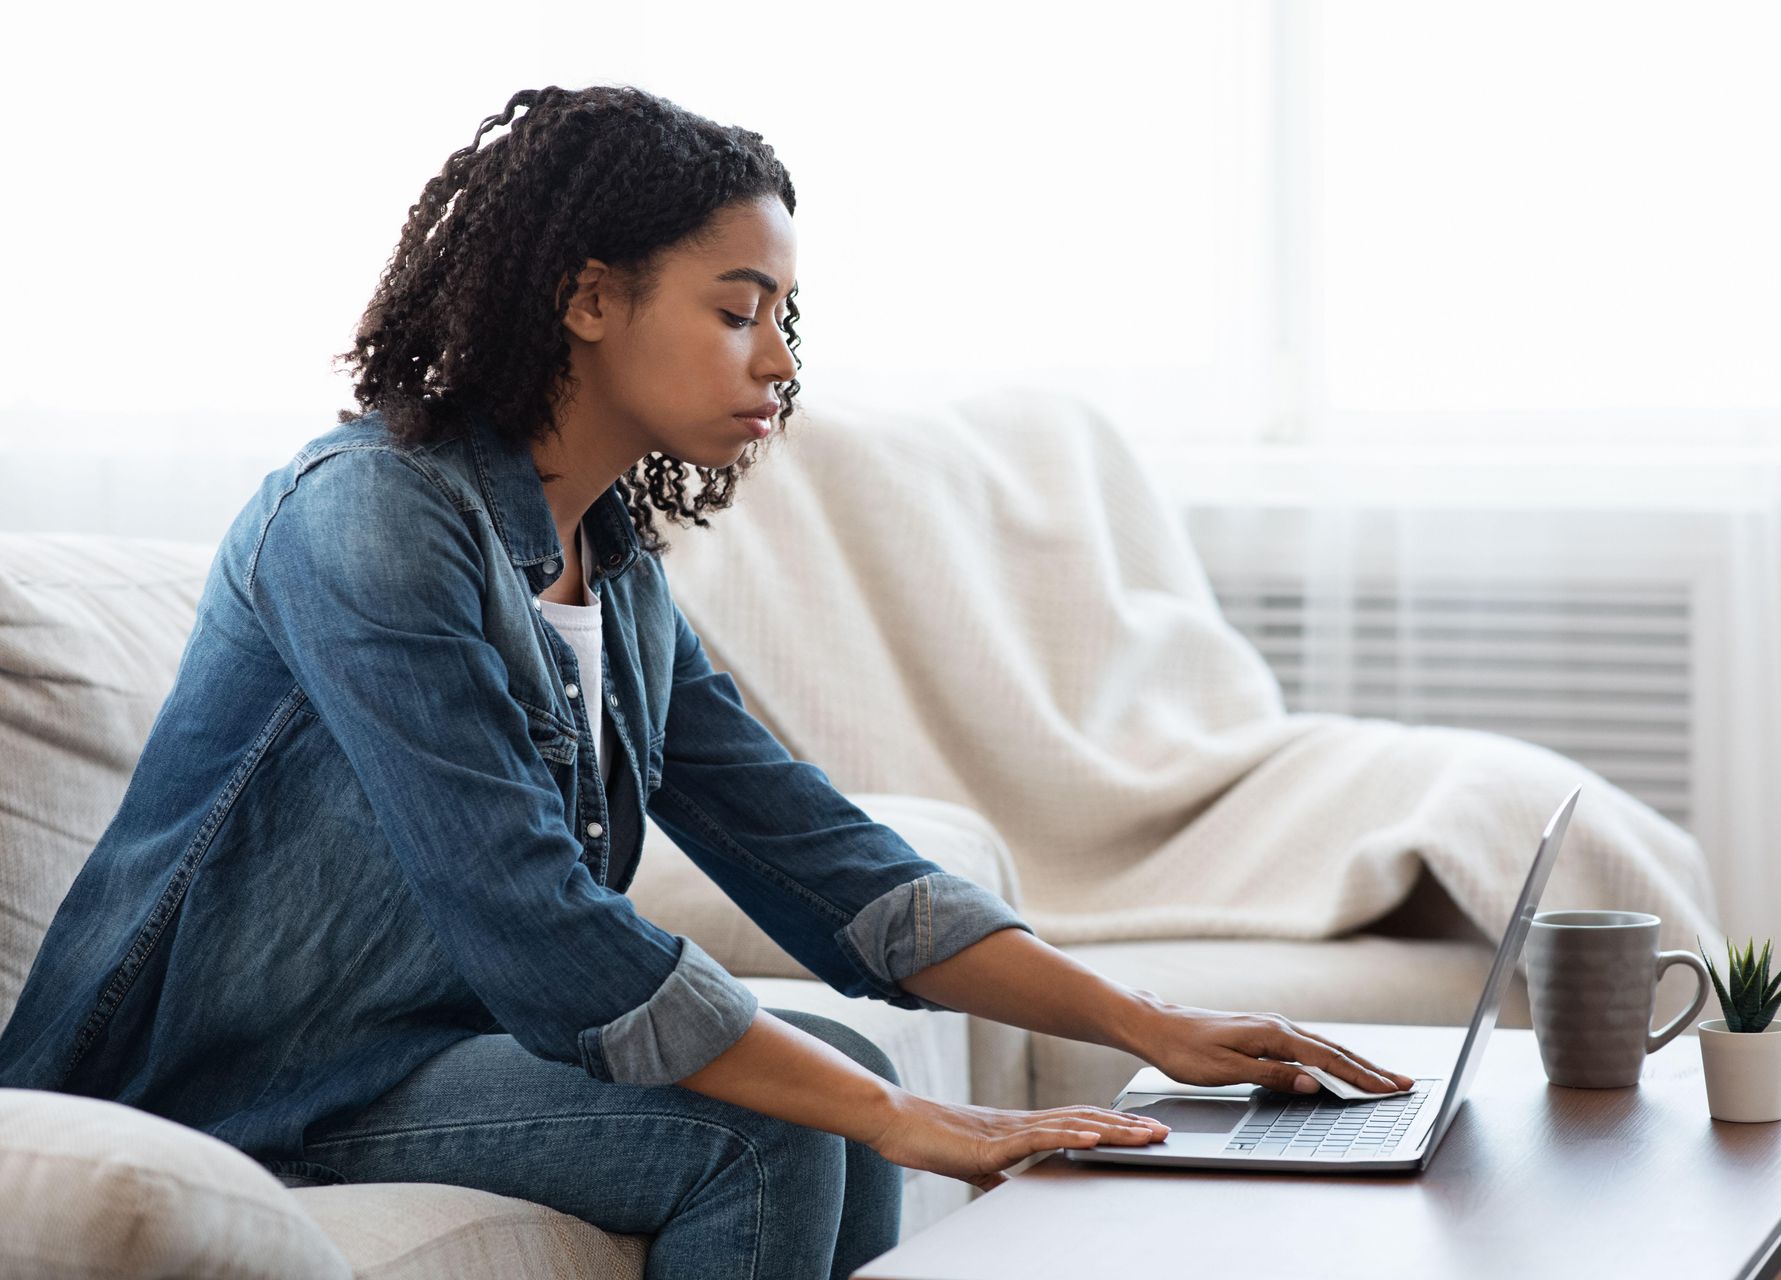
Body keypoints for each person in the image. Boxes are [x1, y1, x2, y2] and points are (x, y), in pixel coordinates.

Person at [0, 84, 1414, 1280]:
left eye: (787, 315)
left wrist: (1146, 1027)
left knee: (816, 1064)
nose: (782, 363)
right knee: (795, 1114)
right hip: (237, 1082)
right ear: (589, 297)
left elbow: (824, 856)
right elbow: (537, 925)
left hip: (421, 1049)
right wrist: (888, 1114)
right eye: (743, 312)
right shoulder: (366, 519)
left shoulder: (608, 566)